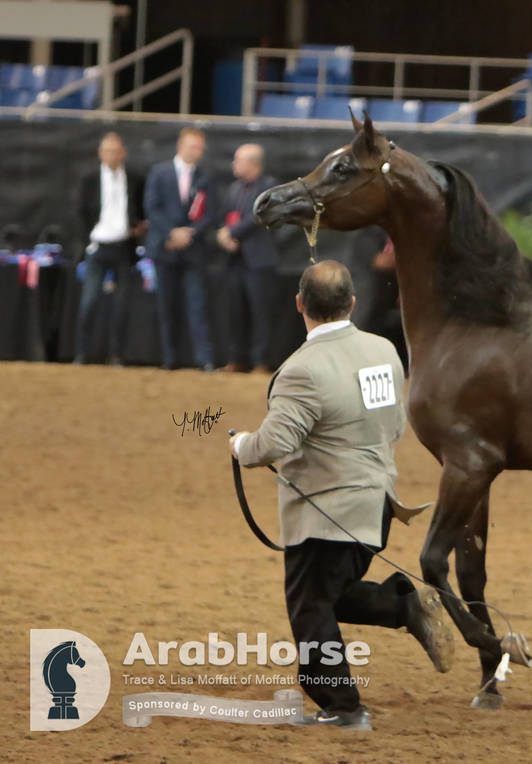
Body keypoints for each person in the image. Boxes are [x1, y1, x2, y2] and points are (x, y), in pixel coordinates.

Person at [228, 260, 453, 730]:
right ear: (352, 303)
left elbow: (271, 445)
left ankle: (344, 709)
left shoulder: (302, 370)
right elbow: (394, 424)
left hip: (326, 515)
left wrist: (239, 444)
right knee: (331, 595)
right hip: (378, 507)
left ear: (299, 305)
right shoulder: (384, 351)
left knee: (311, 609)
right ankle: (404, 605)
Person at [144, 127, 216, 371]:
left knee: (198, 305)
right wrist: (171, 233)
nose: (197, 151)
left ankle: (203, 359)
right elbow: (152, 208)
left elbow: (210, 213)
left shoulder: (206, 177)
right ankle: (170, 357)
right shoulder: (159, 172)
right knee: (167, 305)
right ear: (180, 146)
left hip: (193, 250)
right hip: (164, 249)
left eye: (199, 147)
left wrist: (189, 233)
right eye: (192, 146)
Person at [74, 133, 147, 365]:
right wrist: (89, 237)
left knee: (122, 304)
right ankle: (83, 353)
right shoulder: (90, 180)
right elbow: (82, 211)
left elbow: (141, 209)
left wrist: (138, 226)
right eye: (107, 151)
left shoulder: (135, 178)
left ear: (123, 153)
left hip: (124, 248)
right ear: (100, 153)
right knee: (90, 301)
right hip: (98, 247)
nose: (112, 155)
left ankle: (116, 354)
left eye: (116, 151)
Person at [216, 144, 279, 374]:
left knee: (260, 313)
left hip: (259, 261)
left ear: (253, 163)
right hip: (235, 260)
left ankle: (261, 362)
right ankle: (236, 359)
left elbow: (258, 216)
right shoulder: (233, 189)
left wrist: (230, 233)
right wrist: (223, 235)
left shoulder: (269, 187)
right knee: (235, 311)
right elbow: (225, 218)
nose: (234, 164)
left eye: (238, 160)